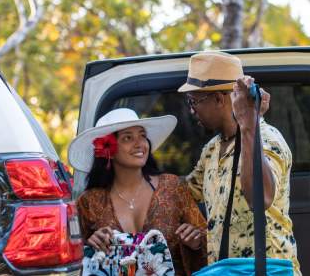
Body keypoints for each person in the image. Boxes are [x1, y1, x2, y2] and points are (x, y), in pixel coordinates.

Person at [178, 51, 301, 275]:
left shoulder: (268, 139)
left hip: (266, 269)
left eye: (195, 100)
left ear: (219, 99)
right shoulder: (213, 149)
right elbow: (183, 191)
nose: (192, 108)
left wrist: (247, 125)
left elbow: (259, 197)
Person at [69, 108, 207, 276]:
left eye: (142, 135)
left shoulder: (172, 187)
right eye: (128, 137)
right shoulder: (89, 202)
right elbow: (72, 258)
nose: (140, 143)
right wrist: (91, 245)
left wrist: (196, 242)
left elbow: (210, 243)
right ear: (108, 148)